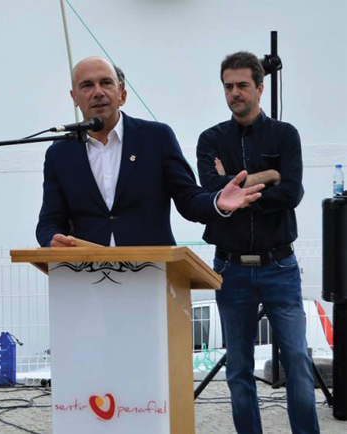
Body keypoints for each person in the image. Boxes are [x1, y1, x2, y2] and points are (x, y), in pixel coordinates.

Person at [196, 51, 319, 434]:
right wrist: (268, 174)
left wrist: (234, 183)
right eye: (228, 86)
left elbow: (292, 193)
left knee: (297, 360)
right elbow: (211, 191)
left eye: (242, 85)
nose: (235, 93)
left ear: (260, 88)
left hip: (279, 266)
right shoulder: (210, 139)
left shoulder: (285, 135)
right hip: (230, 269)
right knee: (238, 368)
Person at [36, 56, 265, 248]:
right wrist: (50, 241)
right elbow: (50, 221)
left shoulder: (156, 138)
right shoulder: (60, 153)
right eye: (87, 85)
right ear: (74, 97)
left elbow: (188, 200)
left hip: (151, 271)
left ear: (122, 94)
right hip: (86, 275)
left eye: (106, 83)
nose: (97, 92)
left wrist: (217, 202)